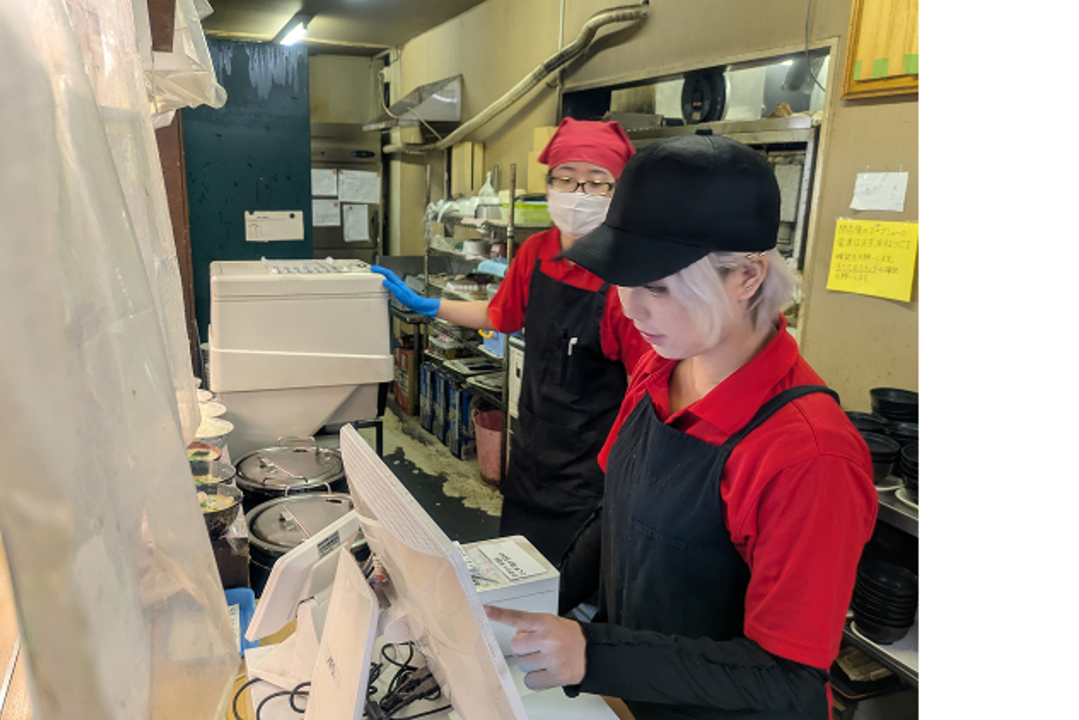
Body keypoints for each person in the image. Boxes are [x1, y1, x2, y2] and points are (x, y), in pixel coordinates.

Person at [484, 130, 878, 719]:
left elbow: (791, 679)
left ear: (746, 277)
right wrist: (528, 606)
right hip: (634, 700)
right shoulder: (657, 368)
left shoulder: (807, 454)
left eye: (660, 287)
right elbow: (614, 516)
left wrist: (594, 653)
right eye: (625, 282)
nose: (632, 308)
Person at [373, 118, 647, 565]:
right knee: (515, 567)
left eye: (597, 183)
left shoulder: (627, 276)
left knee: (570, 590)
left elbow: (647, 387)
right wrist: (427, 305)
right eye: (567, 179)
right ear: (550, 183)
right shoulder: (536, 251)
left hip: (593, 470)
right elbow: (497, 315)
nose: (580, 194)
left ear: (617, 193)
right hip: (531, 452)